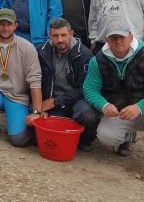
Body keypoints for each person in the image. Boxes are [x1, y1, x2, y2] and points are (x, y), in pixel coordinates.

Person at [83, 23, 144, 179]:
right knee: (106, 136)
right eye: (113, 38)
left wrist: (139, 107)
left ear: (131, 36)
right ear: (106, 39)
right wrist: (103, 105)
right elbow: (89, 89)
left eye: (122, 37)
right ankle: (127, 135)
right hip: (120, 112)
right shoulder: (97, 61)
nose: (118, 41)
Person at [0, 9, 42, 146]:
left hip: (17, 96)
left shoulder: (28, 48)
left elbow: (35, 81)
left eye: (9, 24)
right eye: (1, 24)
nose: (5, 28)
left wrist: (36, 111)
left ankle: (16, 118)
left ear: (15, 25)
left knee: (19, 141)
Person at [37, 18, 99, 151]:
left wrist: (57, 101)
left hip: (78, 99)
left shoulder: (85, 55)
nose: (60, 40)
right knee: (38, 132)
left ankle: (85, 140)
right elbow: (36, 81)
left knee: (87, 116)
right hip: (52, 100)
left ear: (71, 34)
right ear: (50, 36)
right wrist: (39, 106)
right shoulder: (41, 52)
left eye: (63, 35)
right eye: (55, 36)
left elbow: (86, 88)